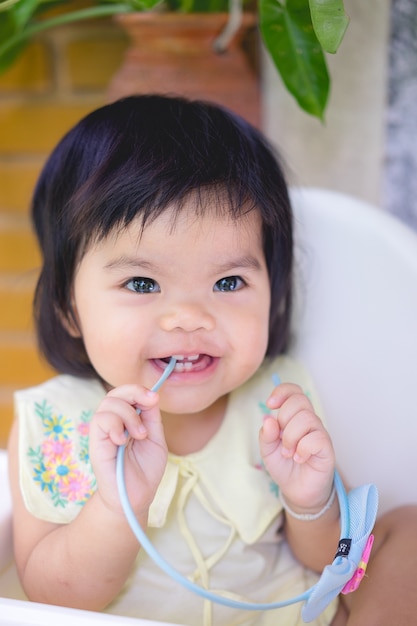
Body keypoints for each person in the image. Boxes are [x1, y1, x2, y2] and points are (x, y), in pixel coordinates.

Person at [7, 95, 417, 626]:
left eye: (228, 282)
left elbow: (330, 564)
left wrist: (310, 501)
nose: (188, 317)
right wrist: (115, 507)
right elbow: (51, 598)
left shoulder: (278, 397)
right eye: (142, 282)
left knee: (407, 528)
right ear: (68, 305)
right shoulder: (54, 421)